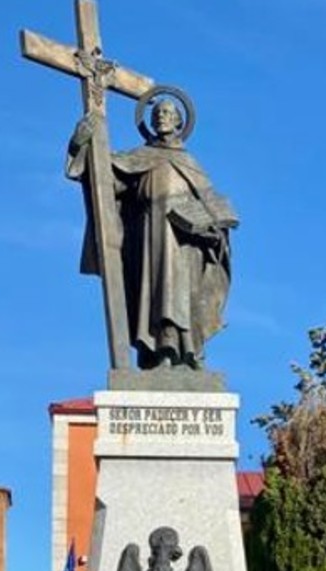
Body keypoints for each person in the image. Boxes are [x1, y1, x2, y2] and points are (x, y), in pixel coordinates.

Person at [67, 97, 238, 370]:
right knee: (157, 294)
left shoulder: (191, 164)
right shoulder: (140, 158)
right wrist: (81, 145)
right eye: (157, 112)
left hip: (185, 244)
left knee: (185, 296)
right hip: (149, 237)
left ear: (179, 122)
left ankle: (187, 354)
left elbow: (211, 206)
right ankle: (161, 353)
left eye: (168, 112)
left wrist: (215, 230)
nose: (161, 117)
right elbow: (103, 182)